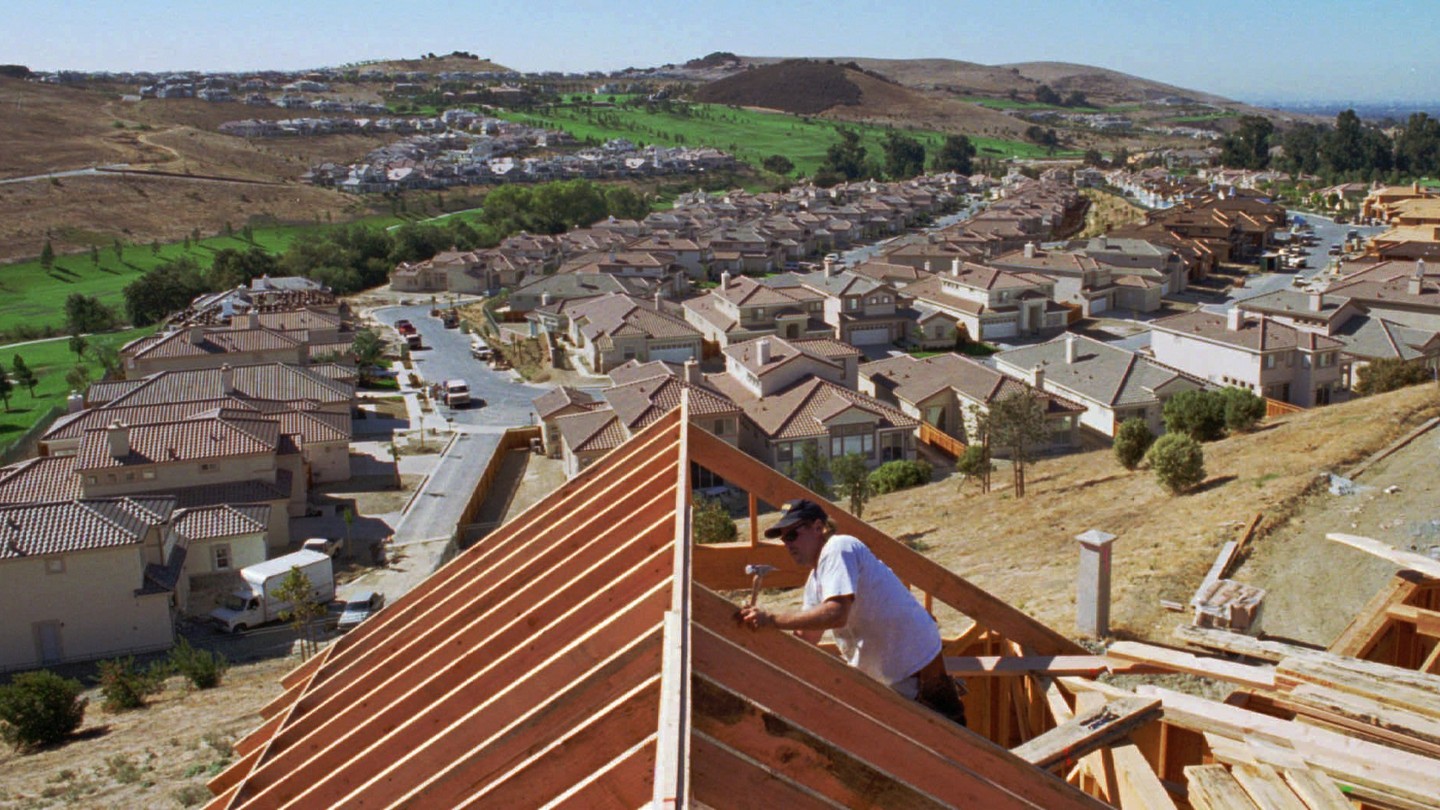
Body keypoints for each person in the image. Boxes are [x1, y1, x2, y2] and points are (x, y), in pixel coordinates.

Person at [737, 499, 966, 726]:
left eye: (792, 535)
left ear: (818, 527)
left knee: (957, 751)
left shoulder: (839, 548)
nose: (788, 544)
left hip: (918, 673)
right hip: (894, 678)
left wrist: (771, 619)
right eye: (784, 539)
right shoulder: (816, 580)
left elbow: (836, 614)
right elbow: (805, 637)